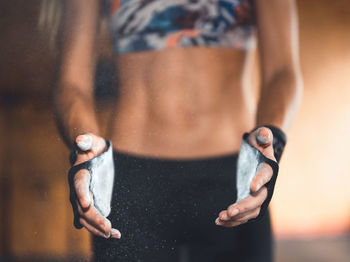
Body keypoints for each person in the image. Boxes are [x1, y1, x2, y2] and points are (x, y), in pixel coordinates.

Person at [53, 0, 303, 261]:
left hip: (237, 181)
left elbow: (282, 72)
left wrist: (272, 143)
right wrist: (87, 152)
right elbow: (71, 83)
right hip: (130, 185)